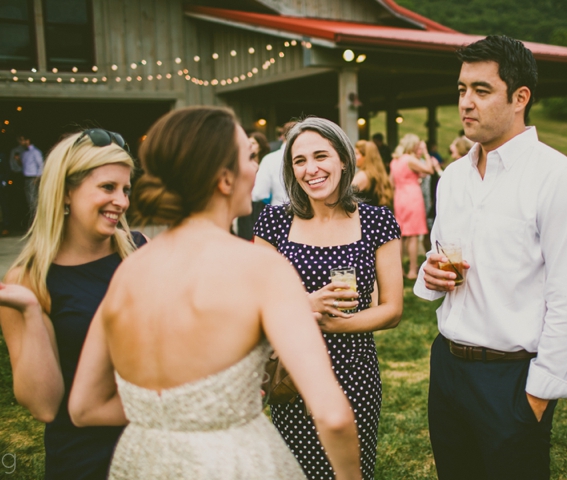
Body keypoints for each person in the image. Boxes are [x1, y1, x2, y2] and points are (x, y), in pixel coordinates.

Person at [67, 107, 361, 480]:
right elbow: (333, 416)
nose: (256, 169)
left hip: (143, 463)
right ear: (224, 179)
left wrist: (168, 415)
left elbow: (84, 407)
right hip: (234, 463)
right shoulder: (262, 268)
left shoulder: (129, 270)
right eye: (250, 158)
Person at [413, 35, 567, 479]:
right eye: (461, 90)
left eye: (481, 90)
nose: (466, 103)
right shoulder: (452, 178)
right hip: (448, 369)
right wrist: (430, 273)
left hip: (512, 379)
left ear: (520, 98)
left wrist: (537, 395)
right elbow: (436, 256)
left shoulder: (561, 179)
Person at [253, 117, 403, 479]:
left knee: (350, 471)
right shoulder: (273, 223)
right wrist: (305, 306)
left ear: (344, 160)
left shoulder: (378, 221)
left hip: (355, 372)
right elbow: (255, 302)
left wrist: (332, 321)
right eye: (299, 160)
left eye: (321, 156)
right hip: (293, 372)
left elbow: (392, 310)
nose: (311, 169)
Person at [0, 128, 143, 479]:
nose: (122, 202)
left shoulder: (137, 249)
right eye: (108, 188)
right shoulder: (29, 279)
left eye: (125, 189)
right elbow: (44, 406)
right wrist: (31, 311)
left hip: (153, 446)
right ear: (65, 192)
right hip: (85, 459)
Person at [390, 133, 439, 280]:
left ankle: (399, 270)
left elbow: (391, 182)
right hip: (412, 197)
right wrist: (425, 153)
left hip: (399, 196)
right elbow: (429, 170)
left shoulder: (395, 160)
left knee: (402, 235)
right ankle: (412, 270)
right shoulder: (410, 160)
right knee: (413, 235)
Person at [235, 131, 271, 240]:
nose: (250, 146)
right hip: (247, 201)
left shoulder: (267, 162)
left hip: (261, 204)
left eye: (254, 143)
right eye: (248, 143)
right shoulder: (242, 162)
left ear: (261, 146)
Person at [251, 121, 296, 206]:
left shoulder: (269, 159)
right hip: (307, 212)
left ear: (282, 136)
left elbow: (259, 193)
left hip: (279, 211)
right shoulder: (307, 157)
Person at [353, 139, 393, 208]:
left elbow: (344, 195)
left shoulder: (363, 176)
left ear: (366, 156)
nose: (354, 157)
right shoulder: (377, 174)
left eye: (357, 154)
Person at [20, 135, 44, 216]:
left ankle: (38, 220)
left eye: (22, 140)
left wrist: (37, 178)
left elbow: (41, 165)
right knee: (29, 201)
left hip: (33, 178)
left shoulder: (35, 152)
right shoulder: (24, 153)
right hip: (26, 178)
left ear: (28, 140)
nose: (20, 142)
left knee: (33, 201)